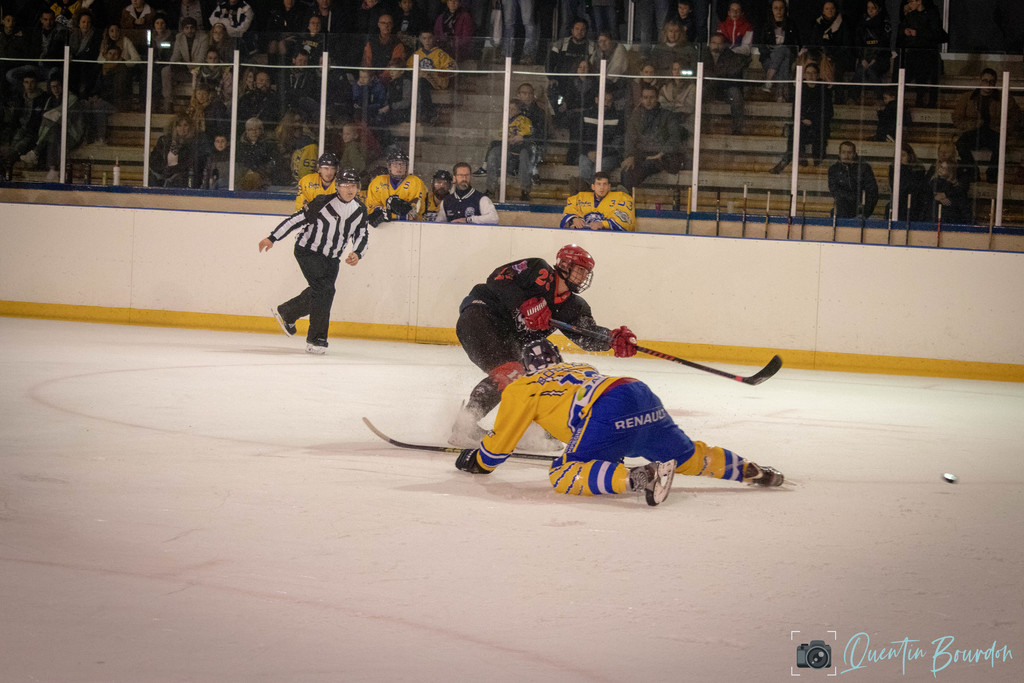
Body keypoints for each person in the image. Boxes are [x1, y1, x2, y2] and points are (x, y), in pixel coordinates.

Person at [454, 338, 785, 505]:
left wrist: (477, 461)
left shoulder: (523, 387)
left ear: (528, 368)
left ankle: (640, 477)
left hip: (605, 413)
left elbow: (500, 447)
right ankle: (754, 471)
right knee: (688, 456)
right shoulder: (582, 368)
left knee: (563, 473)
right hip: (637, 392)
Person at [450, 243, 638, 446]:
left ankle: (536, 430)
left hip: (508, 337)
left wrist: (611, 339)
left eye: (587, 273)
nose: (584, 276)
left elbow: (586, 334)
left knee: (548, 372)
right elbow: (498, 278)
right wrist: (522, 302)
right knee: (510, 372)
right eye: (580, 270)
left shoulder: (574, 306)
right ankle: (465, 425)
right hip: (481, 316)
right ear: (564, 265)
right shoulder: (538, 270)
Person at [259, 168, 369, 354]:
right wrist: (272, 237)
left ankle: (288, 312)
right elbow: (296, 220)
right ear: (337, 186)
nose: (350, 189)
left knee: (321, 292)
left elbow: (362, 234)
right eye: (345, 185)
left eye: (353, 186)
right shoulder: (322, 202)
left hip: (332, 259)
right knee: (325, 290)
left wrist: (357, 252)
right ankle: (317, 340)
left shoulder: (360, 209)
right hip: (308, 252)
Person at [953, 68, 1022, 185]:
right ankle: (973, 171)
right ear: (980, 81)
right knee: (961, 143)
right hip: (973, 130)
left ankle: (992, 175)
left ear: (995, 83)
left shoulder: (1005, 98)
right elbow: (957, 118)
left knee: (1000, 145)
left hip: (994, 131)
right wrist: (971, 125)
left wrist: (1004, 129)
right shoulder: (967, 97)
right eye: (985, 81)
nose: (988, 84)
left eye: (991, 82)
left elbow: (1016, 117)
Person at [619, 83, 684, 192]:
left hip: (662, 157)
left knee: (645, 166)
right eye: (645, 98)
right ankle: (625, 195)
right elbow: (630, 138)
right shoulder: (636, 117)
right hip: (641, 155)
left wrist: (661, 153)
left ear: (657, 98)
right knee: (626, 169)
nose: (648, 101)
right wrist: (630, 155)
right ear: (641, 99)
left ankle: (623, 194)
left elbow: (675, 138)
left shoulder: (667, 115)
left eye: (651, 97)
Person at [770, 62, 833, 173]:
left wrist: (813, 121)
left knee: (817, 133)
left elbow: (828, 111)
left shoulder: (823, 89)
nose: (811, 76)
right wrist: (803, 119)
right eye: (808, 73)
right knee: (795, 132)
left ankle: (805, 158)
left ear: (818, 75)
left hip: (818, 123)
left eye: (813, 73)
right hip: (803, 122)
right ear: (804, 75)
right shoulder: (800, 88)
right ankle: (794, 157)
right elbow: (796, 109)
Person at [895, 0, 944, 108]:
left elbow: (937, 34)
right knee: (913, 70)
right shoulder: (911, 15)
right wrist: (905, 31)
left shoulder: (931, 14)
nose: (909, 4)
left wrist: (918, 33)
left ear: (919, 2)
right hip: (915, 52)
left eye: (911, 1)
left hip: (929, 52)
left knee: (928, 73)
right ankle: (914, 99)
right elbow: (902, 29)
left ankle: (930, 101)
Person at [485, 99, 536, 201]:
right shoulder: (505, 121)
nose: (511, 111)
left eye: (513, 109)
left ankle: (525, 190)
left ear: (519, 110)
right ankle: (490, 189)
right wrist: (507, 139)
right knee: (494, 153)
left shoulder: (524, 120)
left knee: (524, 155)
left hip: (521, 151)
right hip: (508, 151)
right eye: (509, 109)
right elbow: (500, 135)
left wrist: (520, 138)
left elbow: (528, 135)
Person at [365, 147, 428, 225]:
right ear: (389, 167)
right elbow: (371, 210)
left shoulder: (416, 182)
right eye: (395, 164)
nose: (399, 167)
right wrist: (385, 212)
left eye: (402, 164)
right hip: (383, 228)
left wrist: (388, 213)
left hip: (410, 227)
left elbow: (415, 213)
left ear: (406, 167)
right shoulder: (378, 182)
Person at [560, 171, 636, 231]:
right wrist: (574, 219)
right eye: (598, 184)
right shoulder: (580, 197)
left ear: (609, 186)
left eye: (604, 184)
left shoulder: (621, 198)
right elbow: (569, 209)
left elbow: (626, 221)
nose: (602, 188)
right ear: (593, 186)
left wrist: (603, 224)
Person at [578, 89, 626, 180]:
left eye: (609, 101)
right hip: (588, 153)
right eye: (604, 100)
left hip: (609, 155)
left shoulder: (618, 118)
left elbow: (618, 142)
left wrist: (602, 153)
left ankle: (590, 188)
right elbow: (579, 138)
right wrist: (588, 152)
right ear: (596, 100)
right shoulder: (585, 115)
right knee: (584, 169)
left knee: (598, 172)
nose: (606, 103)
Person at [163, 17, 208, 114]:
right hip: (185, 70)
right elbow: (175, 56)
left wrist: (185, 66)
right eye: (186, 28)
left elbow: (200, 60)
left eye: (192, 27)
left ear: (195, 28)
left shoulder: (203, 38)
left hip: (198, 71)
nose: (189, 30)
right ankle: (168, 102)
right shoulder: (179, 37)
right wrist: (173, 65)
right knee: (166, 70)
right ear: (183, 29)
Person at [702, 32, 744, 135]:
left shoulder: (732, 57)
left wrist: (716, 79)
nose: (716, 46)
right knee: (697, 91)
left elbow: (733, 76)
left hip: (724, 89)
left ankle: (737, 128)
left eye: (719, 43)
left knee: (735, 93)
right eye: (714, 43)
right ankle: (696, 126)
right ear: (709, 44)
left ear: (724, 45)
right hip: (708, 87)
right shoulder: (702, 55)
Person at [758, 0, 799, 102]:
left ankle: (768, 79)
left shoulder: (791, 24)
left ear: (785, 9)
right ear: (772, 10)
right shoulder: (766, 25)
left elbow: (796, 44)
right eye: (776, 8)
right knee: (783, 63)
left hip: (788, 54)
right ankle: (781, 95)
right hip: (770, 58)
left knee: (783, 49)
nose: (779, 10)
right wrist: (772, 53)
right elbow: (761, 46)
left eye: (781, 8)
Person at [828, 140, 878, 218]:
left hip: (860, 208)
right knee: (840, 203)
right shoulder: (834, 169)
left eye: (849, 153)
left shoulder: (864, 168)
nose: (846, 156)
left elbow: (872, 191)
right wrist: (850, 198)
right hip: (842, 207)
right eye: (843, 152)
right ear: (839, 154)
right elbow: (834, 190)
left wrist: (865, 213)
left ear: (854, 154)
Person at [148, 114, 201, 187]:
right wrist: (163, 169)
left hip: (180, 177)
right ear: (174, 127)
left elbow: (188, 164)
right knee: (153, 177)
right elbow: (154, 160)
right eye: (179, 125)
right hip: (162, 174)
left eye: (185, 125)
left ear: (190, 127)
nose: (182, 128)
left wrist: (172, 170)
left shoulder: (193, 143)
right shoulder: (164, 141)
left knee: (177, 179)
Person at [888, 141, 929, 221]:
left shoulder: (918, 170)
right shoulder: (893, 170)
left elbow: (919, 189)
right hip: (899, 204)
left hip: (916, 205)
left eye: (903, 155)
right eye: (897, 155)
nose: (900, 158)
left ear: (910, 156)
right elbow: (896, 188)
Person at [927, 158, 970, 225]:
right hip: (934, 217)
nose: (940, 169)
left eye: (944, 168)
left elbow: (959, 203)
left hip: (950, 218)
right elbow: (928, 196)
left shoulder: (954, 187)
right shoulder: (933, 183)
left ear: (950, 171)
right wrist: (936, 198)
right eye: (940, 167)